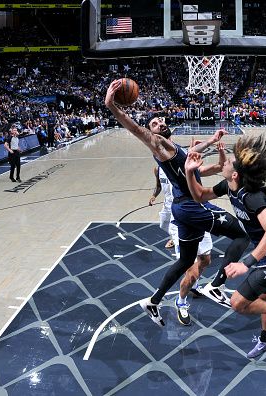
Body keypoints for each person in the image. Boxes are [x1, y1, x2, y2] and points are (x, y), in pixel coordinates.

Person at [104, 79, 250, 327]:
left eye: (161, 121)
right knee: (242, 235)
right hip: (192, 206)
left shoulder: (172, 147)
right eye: (154, 123)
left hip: (181, 209)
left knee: (185, 261)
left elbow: (189, 155)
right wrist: (111, 104)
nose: (160, 123)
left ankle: (153, 301)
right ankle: (216, 285)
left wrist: (212, 141)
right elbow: (135, 129)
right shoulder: (158, 144)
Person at [184, 135, 266, 358]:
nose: (223, 162)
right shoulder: (229, 185)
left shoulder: (253, 197)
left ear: (235, 174)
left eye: (228, 161)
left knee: (238, 303)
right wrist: (189, 172)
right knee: (264, 298)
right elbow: (200, 196)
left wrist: (246, 263)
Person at [148, 162, 215, 326]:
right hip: (179, 220)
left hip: (198, 215)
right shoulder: (160, 169)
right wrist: (154, 195)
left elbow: (209, 170)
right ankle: (181, 302)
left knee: (206, 260)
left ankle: (192, 285)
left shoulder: (186, 167)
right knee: (190, 271)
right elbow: (158, 185)